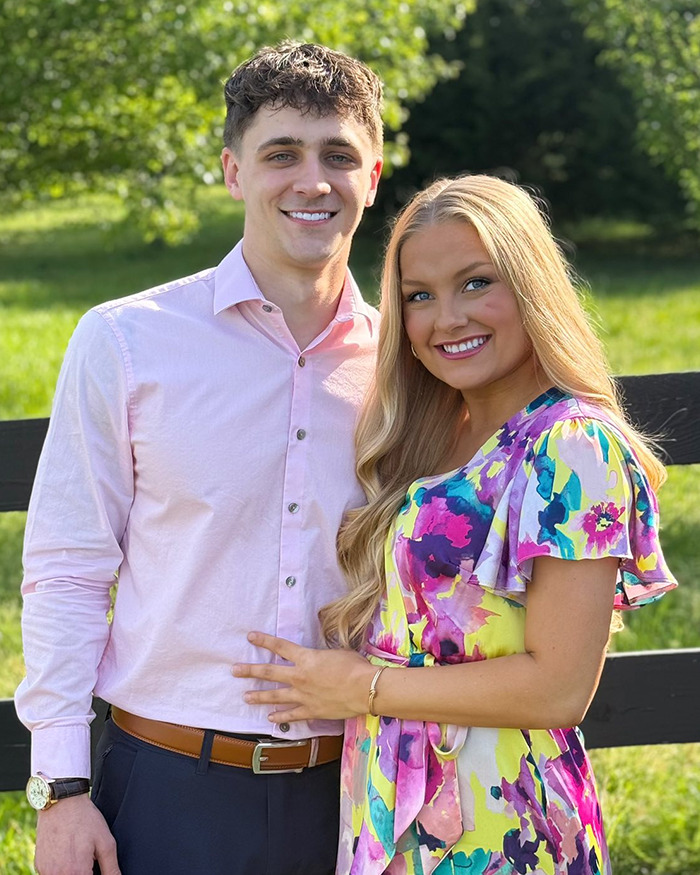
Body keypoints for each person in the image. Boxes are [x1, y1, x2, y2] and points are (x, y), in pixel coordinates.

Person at [234, 174, 678, 874]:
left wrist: (364, 687)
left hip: (502, 825)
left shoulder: (570, 446)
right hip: (394, 809)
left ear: (531, 286)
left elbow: (559, 688)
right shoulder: (435, 432)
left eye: (476, 283)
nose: (447, 318)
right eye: (420, 296)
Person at [16, 42, 384, 875]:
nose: (311, 180)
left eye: (338, 155)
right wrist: (61, 788)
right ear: (231, 170)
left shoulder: (410, 360)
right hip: (167, 788)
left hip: (364, 791)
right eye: (280, 154)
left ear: (375, 174)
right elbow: (68, 567)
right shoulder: (127, 339)